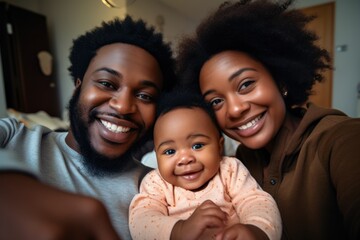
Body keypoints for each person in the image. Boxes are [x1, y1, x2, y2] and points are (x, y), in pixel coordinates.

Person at [176, 0, 360, 239]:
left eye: (246, 84)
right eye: (216, 101)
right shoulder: (235, 165)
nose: (234, 110)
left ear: (281, 81)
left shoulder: (343, 139)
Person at [0, 16, 177, 240]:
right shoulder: (13, 136)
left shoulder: (159, 187)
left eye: (145, 96)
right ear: (78, 87)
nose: (123, 107)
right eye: (107, 84)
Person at [129, 89, 282, 240]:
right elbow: (141, 220)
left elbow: (256, 201)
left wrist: (255, 231)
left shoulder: (229, 169)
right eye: (169, 152)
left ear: (219, 146)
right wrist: (180, 230)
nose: (185, 159)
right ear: (157, 156)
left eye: (197, 146)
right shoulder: (156, 183)